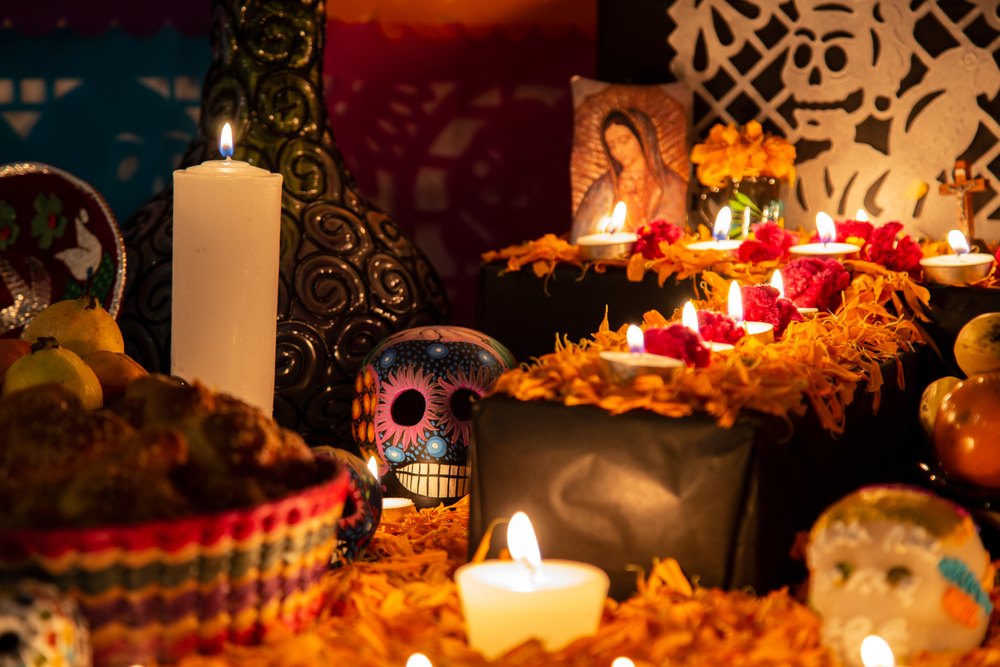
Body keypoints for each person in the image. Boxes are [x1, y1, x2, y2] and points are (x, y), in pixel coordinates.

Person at [571, 108, 687, 243]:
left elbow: (677, 232)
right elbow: (582, 238)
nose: (618, 151)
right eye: (612, 146)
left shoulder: (673, 185)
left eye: (624, 141)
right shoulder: (602, 188)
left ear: (643, 137)